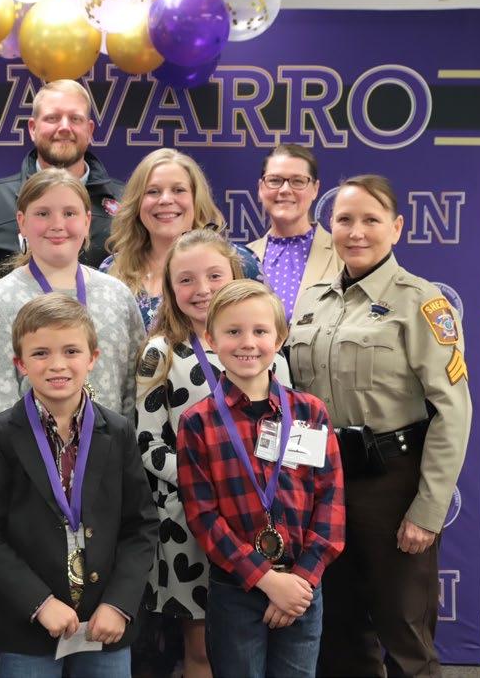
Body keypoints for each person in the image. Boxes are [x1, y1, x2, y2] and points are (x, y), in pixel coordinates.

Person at [288, 175, 472, 677]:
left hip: (391, 483)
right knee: (338, 631)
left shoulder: (422, 302)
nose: (356, 231)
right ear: (330, 227)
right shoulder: (311, 301)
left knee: (404, 632)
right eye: (344, 220)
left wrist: (428, 511)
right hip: (322, 483)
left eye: (371, 219)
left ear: (396, 228)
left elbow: (453, 411)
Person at [0, 293, 159, 677]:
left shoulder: (118, 431)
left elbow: (141, 527)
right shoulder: (3, 433)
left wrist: (119, 604)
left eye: (71, 351)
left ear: (93, 357)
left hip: (104, 623)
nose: (57, 364)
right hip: (29, 625)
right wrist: (38, 602)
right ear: (20, 363)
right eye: (40, 354)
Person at [135, 229, 291, 678]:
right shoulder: (161, 353)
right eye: (186, 279)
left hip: (263, 516)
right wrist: (210, 487)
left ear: (236, 275)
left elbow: (287, 436)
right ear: (170, 289)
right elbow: (148, 444)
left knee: (258, 642)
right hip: (192, 520)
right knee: (203, 649)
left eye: (214, 275)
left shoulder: (266, 349)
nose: (201, 289)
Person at [177, 280, 345, 678]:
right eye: (233, 331)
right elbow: (202, 516)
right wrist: (267, 580)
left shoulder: (311, 412)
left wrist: (300, 581)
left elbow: (331, 501)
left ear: (280, 338)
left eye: (260, 331)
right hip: (236, 587)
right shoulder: (197, 422)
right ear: (211, 339)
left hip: (302, 586)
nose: (247, 343)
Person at [0, 168, 145, 425]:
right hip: (29, 449)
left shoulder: (117, 295)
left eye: (69, 213)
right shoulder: (0, 301)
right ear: (22, 222)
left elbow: (133, 391)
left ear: (87, 221)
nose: (57, 225)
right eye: (43, 213)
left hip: (109, 448)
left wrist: (119, 445)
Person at [0, 79, 124, 291]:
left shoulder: (125, 202)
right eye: (52, 118)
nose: (64, 127)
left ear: (89, 130)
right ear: (32, 128)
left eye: (75, 118)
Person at [102, 148, 263, 329]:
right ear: (137, 203)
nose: (165, 200)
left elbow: (265, 332)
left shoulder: (239, 262)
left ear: (196, 199)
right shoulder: (112, 269)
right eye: (153, 191)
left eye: (179, 190)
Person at [247, 144, 341, 320]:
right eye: (275, 180)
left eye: (297, 181)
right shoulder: (243, 258)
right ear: (261, 188)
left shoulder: (342, 253)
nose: (285, 190)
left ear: (315, 189)